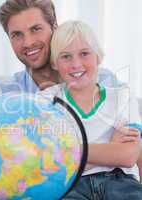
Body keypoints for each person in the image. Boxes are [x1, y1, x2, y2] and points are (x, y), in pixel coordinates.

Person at [39, 20, 142, 199]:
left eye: (84, 53)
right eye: (66, 56)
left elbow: (128, 156)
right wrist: (111, 147)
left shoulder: (123, 97)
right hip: (71, 187)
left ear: (98, 57)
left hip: (121, 182)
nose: (76, 64)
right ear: (55, 63)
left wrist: (72, 151)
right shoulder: (47, 100)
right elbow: (52, 164)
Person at [0, 0, 121, 94]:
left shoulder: (105, 82)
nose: (28, 43)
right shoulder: (5, 95)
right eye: (17, 35)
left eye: (36, 29)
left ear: (54, 27)